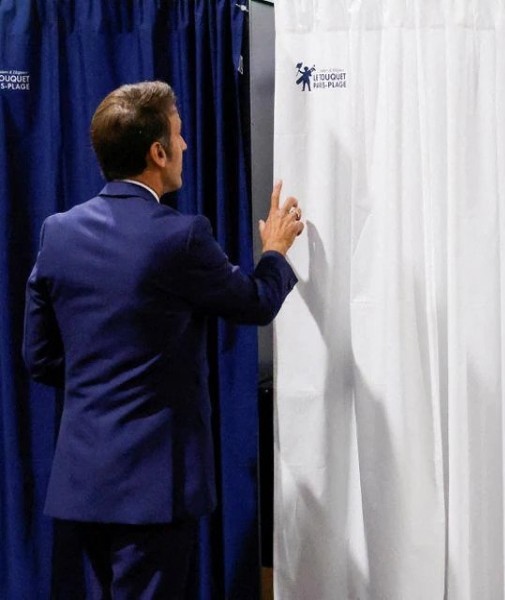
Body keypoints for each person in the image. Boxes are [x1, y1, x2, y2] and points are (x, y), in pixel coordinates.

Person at [21, 80, 303, 598]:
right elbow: (256, 303)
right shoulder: (181, 236)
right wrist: (276, 252)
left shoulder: (56, 232)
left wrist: (101, 383)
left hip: (80, 485)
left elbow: (39, 359)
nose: (186, 145)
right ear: (157, 152)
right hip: (154, 491)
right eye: (178, 133)